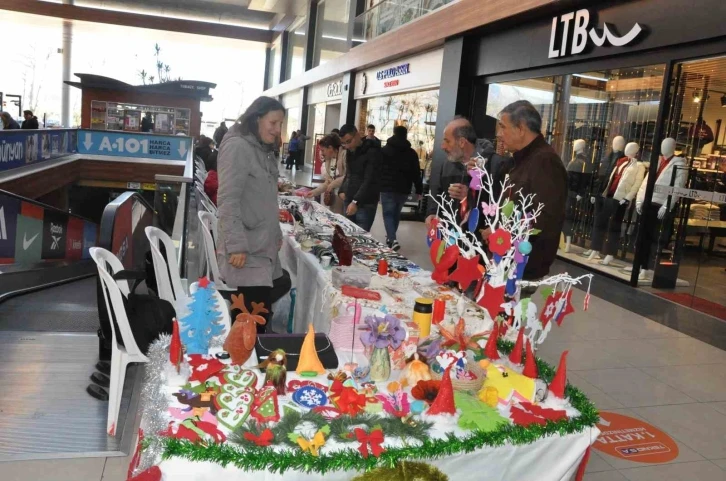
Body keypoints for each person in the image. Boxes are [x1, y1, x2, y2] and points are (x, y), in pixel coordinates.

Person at [217, 96, 285, 332]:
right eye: (273, 123)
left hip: (261, 245)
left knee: (259, 316)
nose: (277, 130)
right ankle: (245, 365)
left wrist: (275, 232)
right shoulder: (238, 147)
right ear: (257, 118)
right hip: (245, 251)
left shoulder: (261, 149)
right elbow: (227, 200)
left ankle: (252, 360)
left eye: (280, 124)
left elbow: (266, 199)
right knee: (249, 325)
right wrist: (236, 245)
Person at [496, 100, 567, 285]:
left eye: (503, 127)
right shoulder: (521, 159)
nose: (499, 134)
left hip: (524, 264)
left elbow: (543, 216)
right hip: (507, 258)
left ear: (521, 129)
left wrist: (504, 234)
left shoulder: (544, 161)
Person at [379, 126, 423, 251]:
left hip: (387, 188)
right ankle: (391, 238)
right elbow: (416, 173)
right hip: (404, 188)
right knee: (396, 214)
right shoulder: (411, 153)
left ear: (394, 133)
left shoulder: (385, 150)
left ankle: (392, 239)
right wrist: (419, 189)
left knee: (388, 214)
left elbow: (378, 169)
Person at [339, 124, 382, 231]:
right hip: (349, 200)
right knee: (347, 235)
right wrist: (342, 190)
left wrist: (356, 201)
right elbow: (349, 173)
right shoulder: (350, 151)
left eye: (349, 141)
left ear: (357, 135)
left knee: (360, 238)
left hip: (366, 203)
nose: (347, 146)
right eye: (344, 143)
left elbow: (369, 179)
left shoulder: (373, 151)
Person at [306, 133, 347, 214]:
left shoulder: (344, 155)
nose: (321, 153)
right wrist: (314, 192)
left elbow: (348, 176)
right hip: (334, 197)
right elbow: (328, 182)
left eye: (323, 150)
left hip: (345, 197)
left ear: (330, 148)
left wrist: (333, 184)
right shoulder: (329, 160)